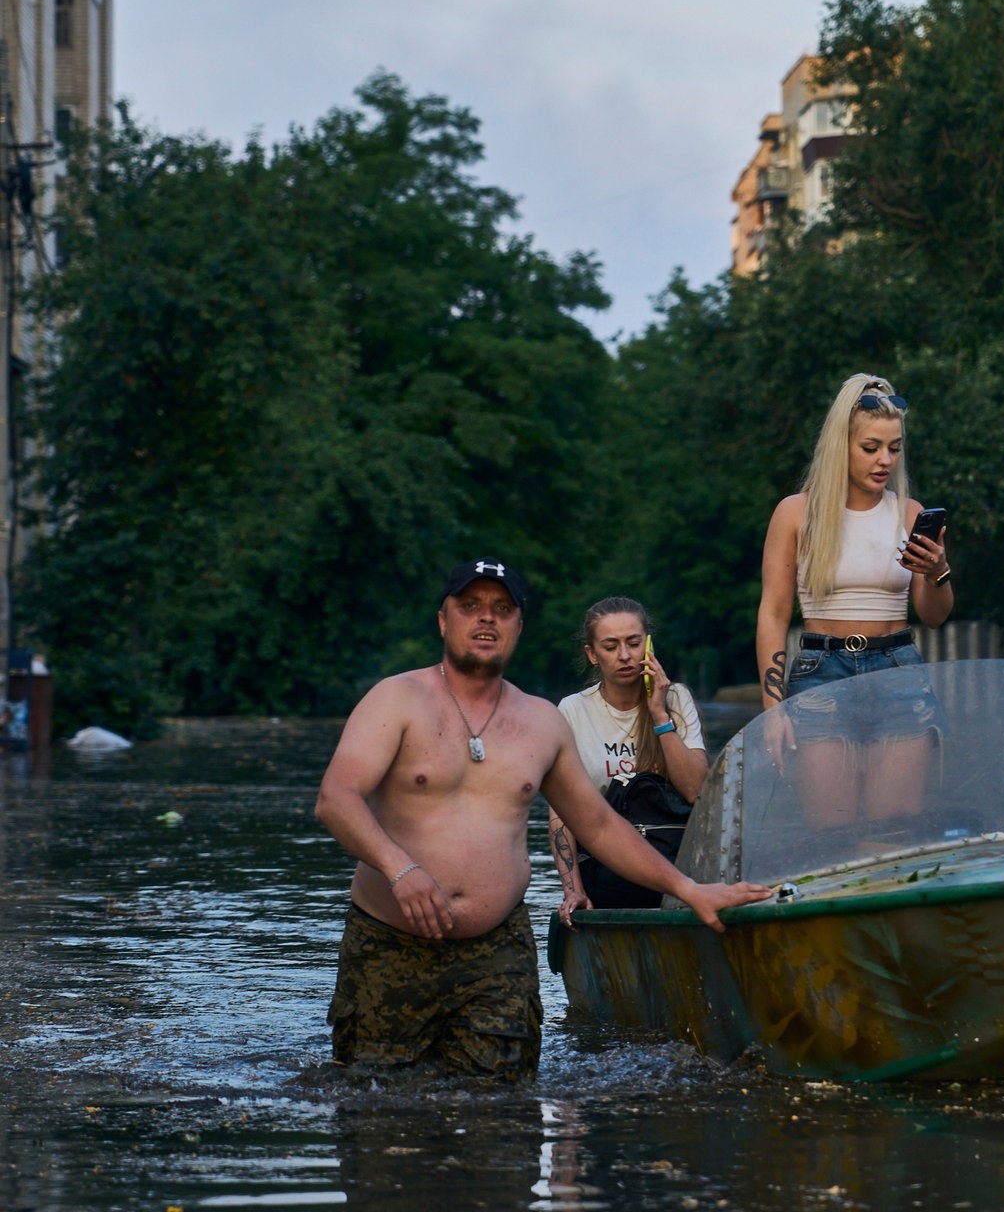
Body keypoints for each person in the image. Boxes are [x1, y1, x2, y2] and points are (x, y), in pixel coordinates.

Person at [314, 557, 770, 1082]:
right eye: (471, 607)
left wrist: (688, 889)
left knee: (505, 1124)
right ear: (444, 620)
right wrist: (401, 869)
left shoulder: (540, 722)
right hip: (390, 944)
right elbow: (336, 798)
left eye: (502, 609)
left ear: (518, 627)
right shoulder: (396, 698)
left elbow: (598, 827)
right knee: (379, 1117)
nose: (487, 619)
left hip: (496, 957)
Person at [755, 373, 953, 825]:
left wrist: (938, 570)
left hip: (898, 669)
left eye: (895, 447)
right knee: (830, 828)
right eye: (871, 447)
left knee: (896, 830)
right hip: (821, 673)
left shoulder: (910, 513)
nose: (885, 460)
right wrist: (773, 708)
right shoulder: (796, 513)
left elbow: (934, 616)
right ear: (840, 445)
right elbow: (773, 612)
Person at [549, 596, 709, 924]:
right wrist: (573, 892)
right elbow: (561, 812)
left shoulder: (676, 699)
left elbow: (696, 790)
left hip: (674, 862)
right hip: (607, 869)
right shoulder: (572, 710)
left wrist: (659, 714)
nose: (624, 656)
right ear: (592, 655)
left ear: (648, 645)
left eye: (634, 643)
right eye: (610, 646)